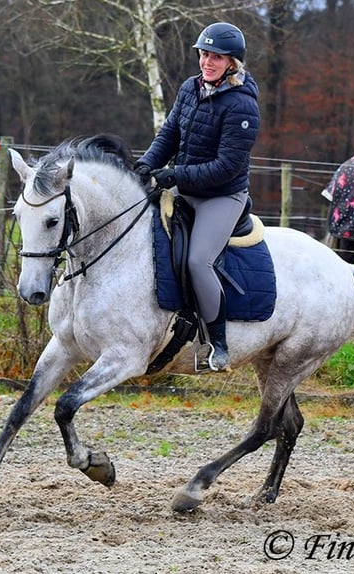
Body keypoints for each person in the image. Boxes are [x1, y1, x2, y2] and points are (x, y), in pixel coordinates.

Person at [133, 22, 260, 371]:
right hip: (184, 188)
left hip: (221, 196)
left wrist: (175, 174)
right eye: (204, 54)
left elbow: (227, 166)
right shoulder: (191, 88)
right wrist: (146, 165)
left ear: (232, 63)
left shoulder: (242, 106)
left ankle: (217, 343)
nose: (207, 61)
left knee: (197, 261)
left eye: (216, 57)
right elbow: (169, 134)